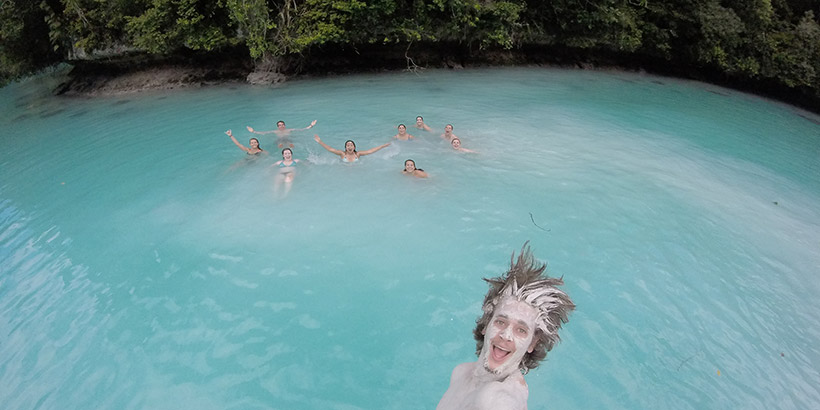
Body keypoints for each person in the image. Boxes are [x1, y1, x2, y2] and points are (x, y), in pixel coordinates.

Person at [437, 243, 575, 410]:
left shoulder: (498, 400)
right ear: (486, 325)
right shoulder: (460, 373)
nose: (506, 335)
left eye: (521, 330)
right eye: (501, 322)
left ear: (532, 343)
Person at [314, 135, 391, 162]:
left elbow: (370, 151)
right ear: (345, 147)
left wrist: (382, 146)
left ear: (354, 147)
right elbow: (330, 149)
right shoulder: (342, 154)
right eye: (348, 145)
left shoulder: (358, 154)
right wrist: (320, 141)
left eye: (351, 145)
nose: (349, 147)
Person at [246, 119, 318, 148]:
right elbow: (264, 133)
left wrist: (311, 125)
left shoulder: (289, 130)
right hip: (279, 140)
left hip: (288, 139)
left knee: (291, 144)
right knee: (280, 144)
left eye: (282, 124)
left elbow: (302, 130)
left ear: (284, 125)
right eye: (279, 125)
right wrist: (253, 131)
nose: (281, 126)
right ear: (278, 127)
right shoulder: (275, 131)